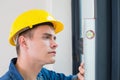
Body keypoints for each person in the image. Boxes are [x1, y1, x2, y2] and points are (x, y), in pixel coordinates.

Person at [0, 9, 84, 80]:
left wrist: (82, 75)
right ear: (23, 42)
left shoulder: (44, 75)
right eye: (46, 37)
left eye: (54, 38)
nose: (55, 44)